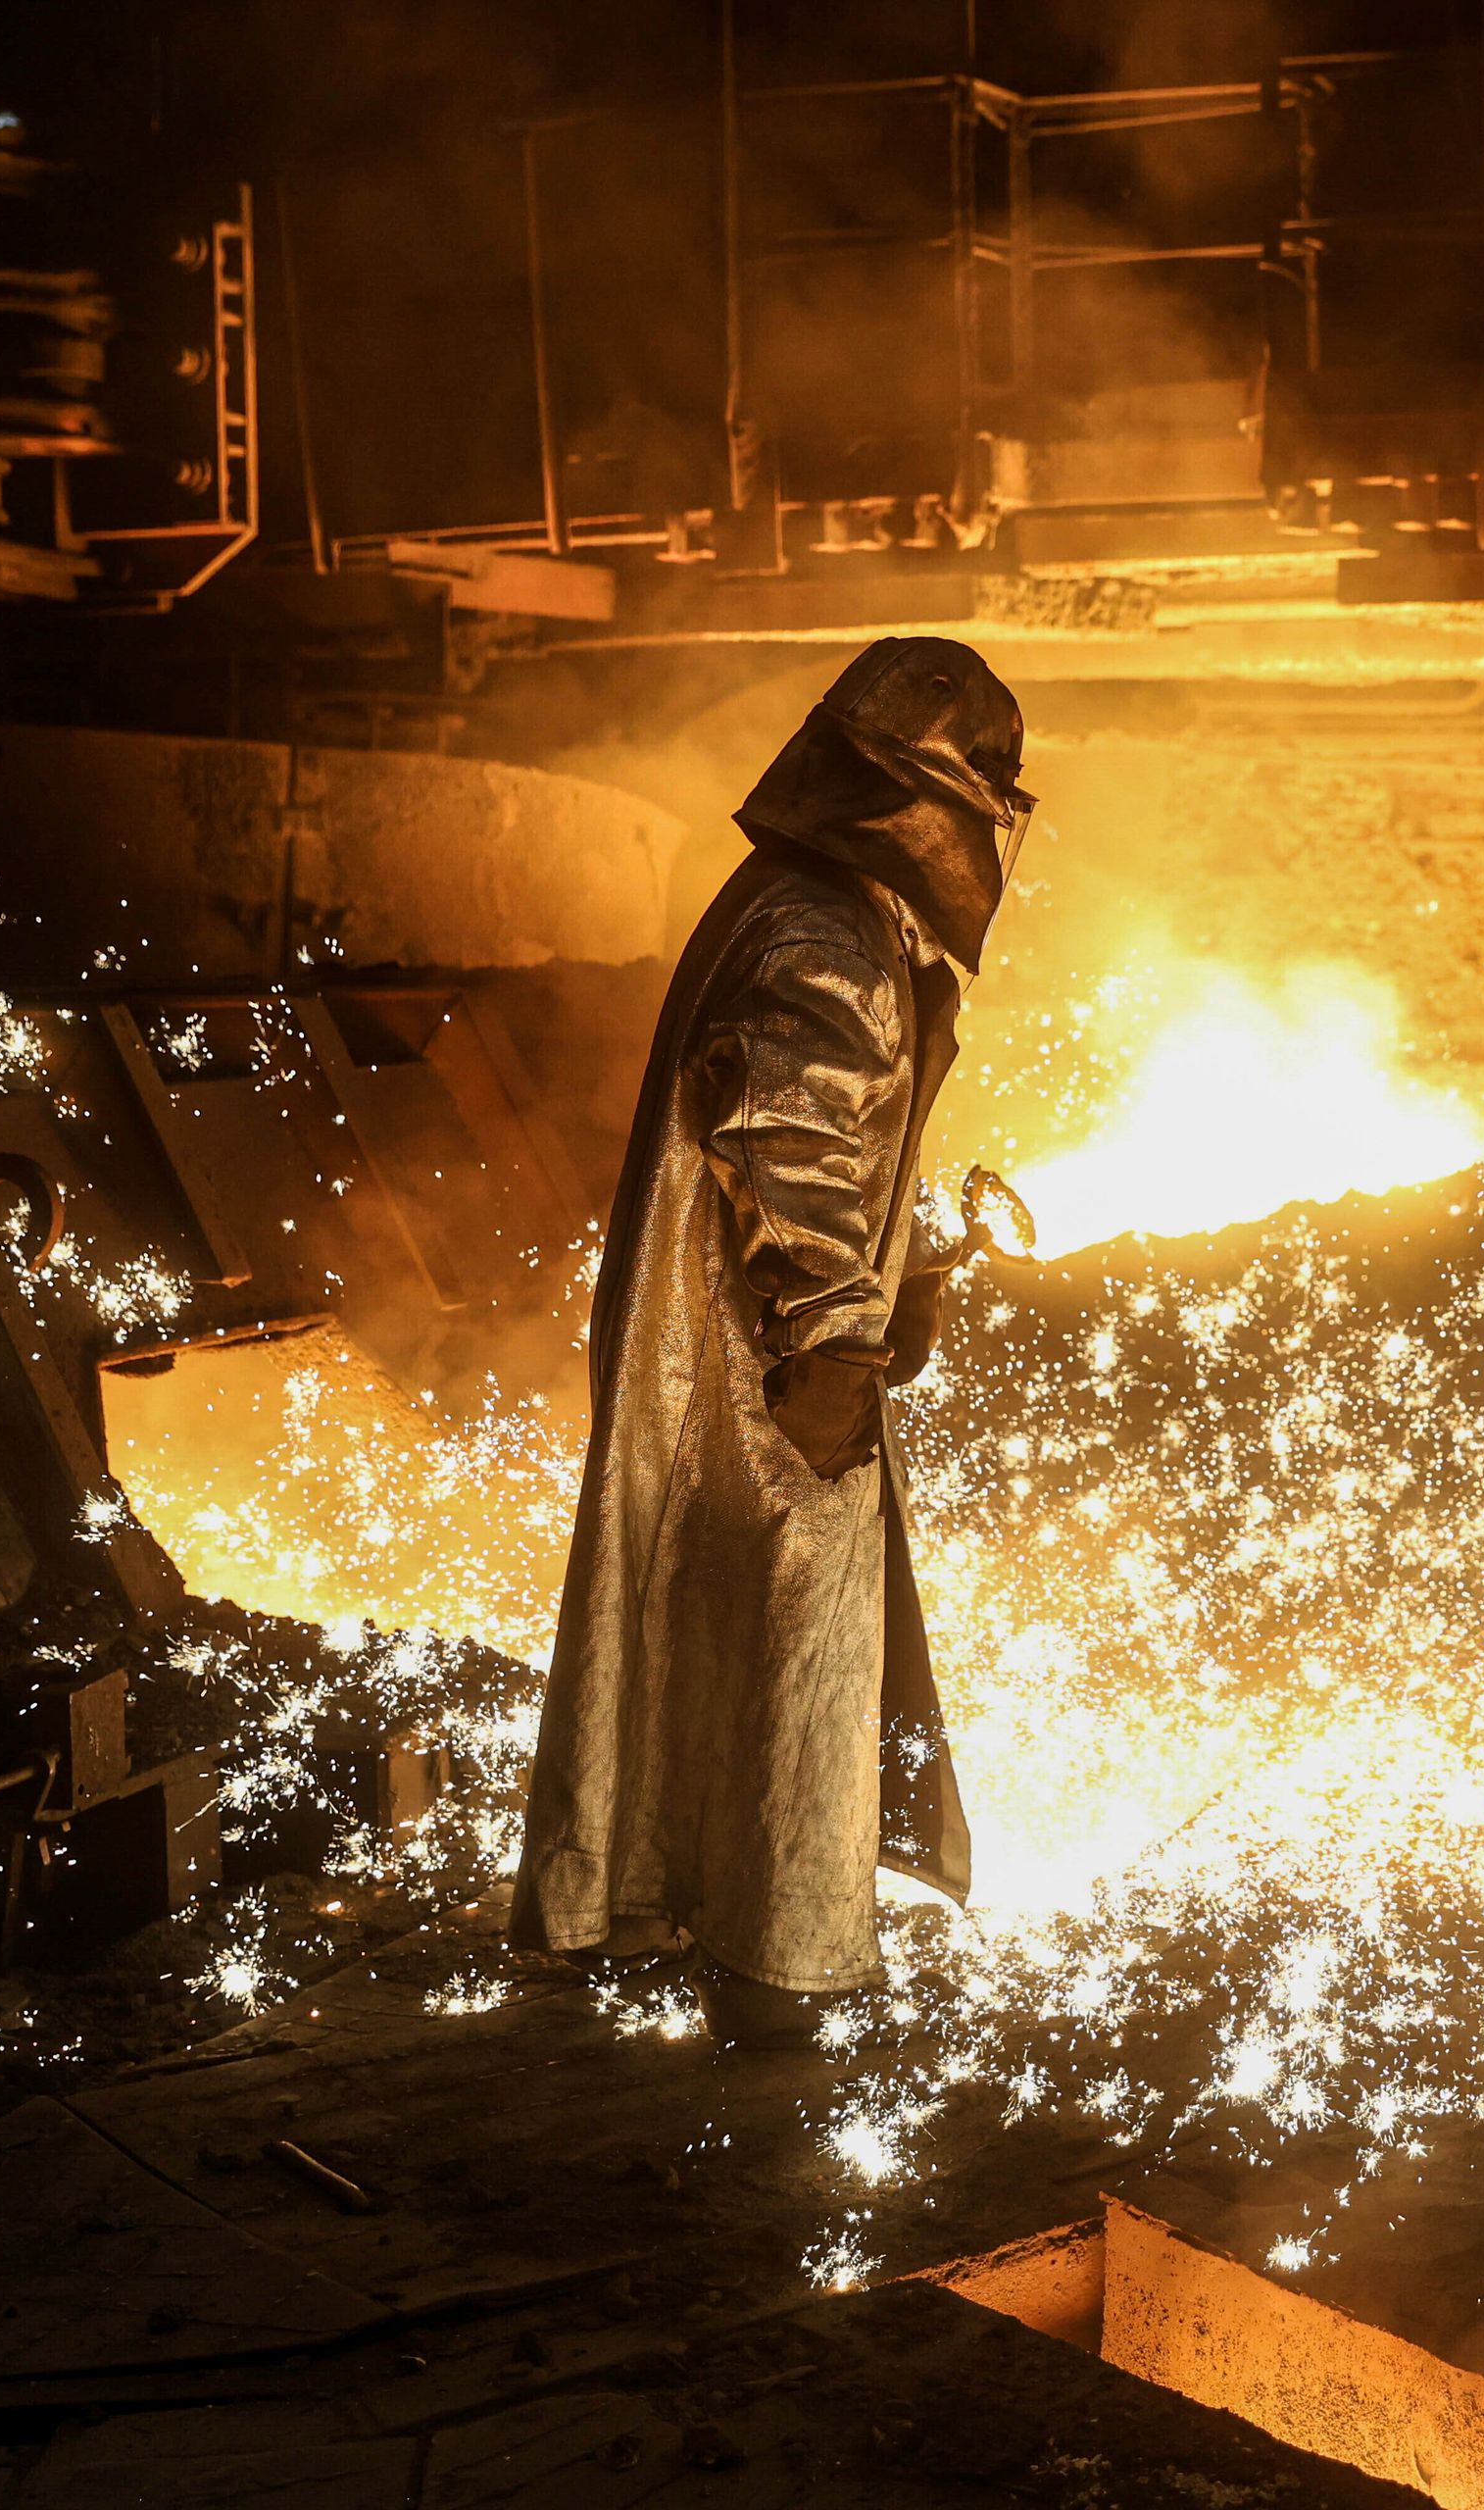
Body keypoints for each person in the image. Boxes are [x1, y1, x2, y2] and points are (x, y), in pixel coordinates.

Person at [511, 637, 1030, 2049]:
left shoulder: (816, 903)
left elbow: (844, 1131)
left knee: (709, 1611)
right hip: (765, 1367)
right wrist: (837, 1343)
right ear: (925, 784)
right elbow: (792, 1142)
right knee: (794, 1622)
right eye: (988, 780)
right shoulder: (828, 934)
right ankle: (783, 1965)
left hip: (768, 1343)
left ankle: (677, 1909)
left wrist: (906, 1253)